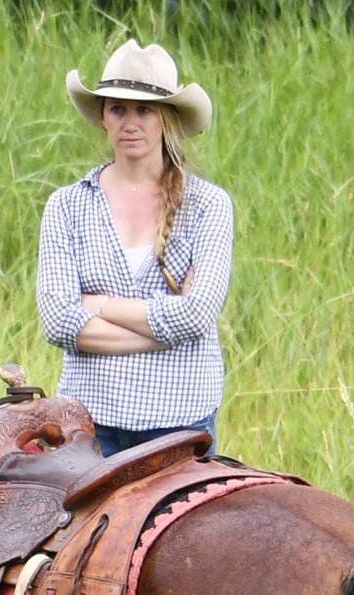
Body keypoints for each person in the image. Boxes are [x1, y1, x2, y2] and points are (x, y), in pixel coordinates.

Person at [36, 39, 234, 456]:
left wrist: (98, 304)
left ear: (167, 118)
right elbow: (57, 321)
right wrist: (168, 332)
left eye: (145, 110)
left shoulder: (208, 205)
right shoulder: (67, 206)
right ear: (103, 117)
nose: (131, 123)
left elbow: (197, 314)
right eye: (118, 109)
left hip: (181, 419)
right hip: (89, 419)